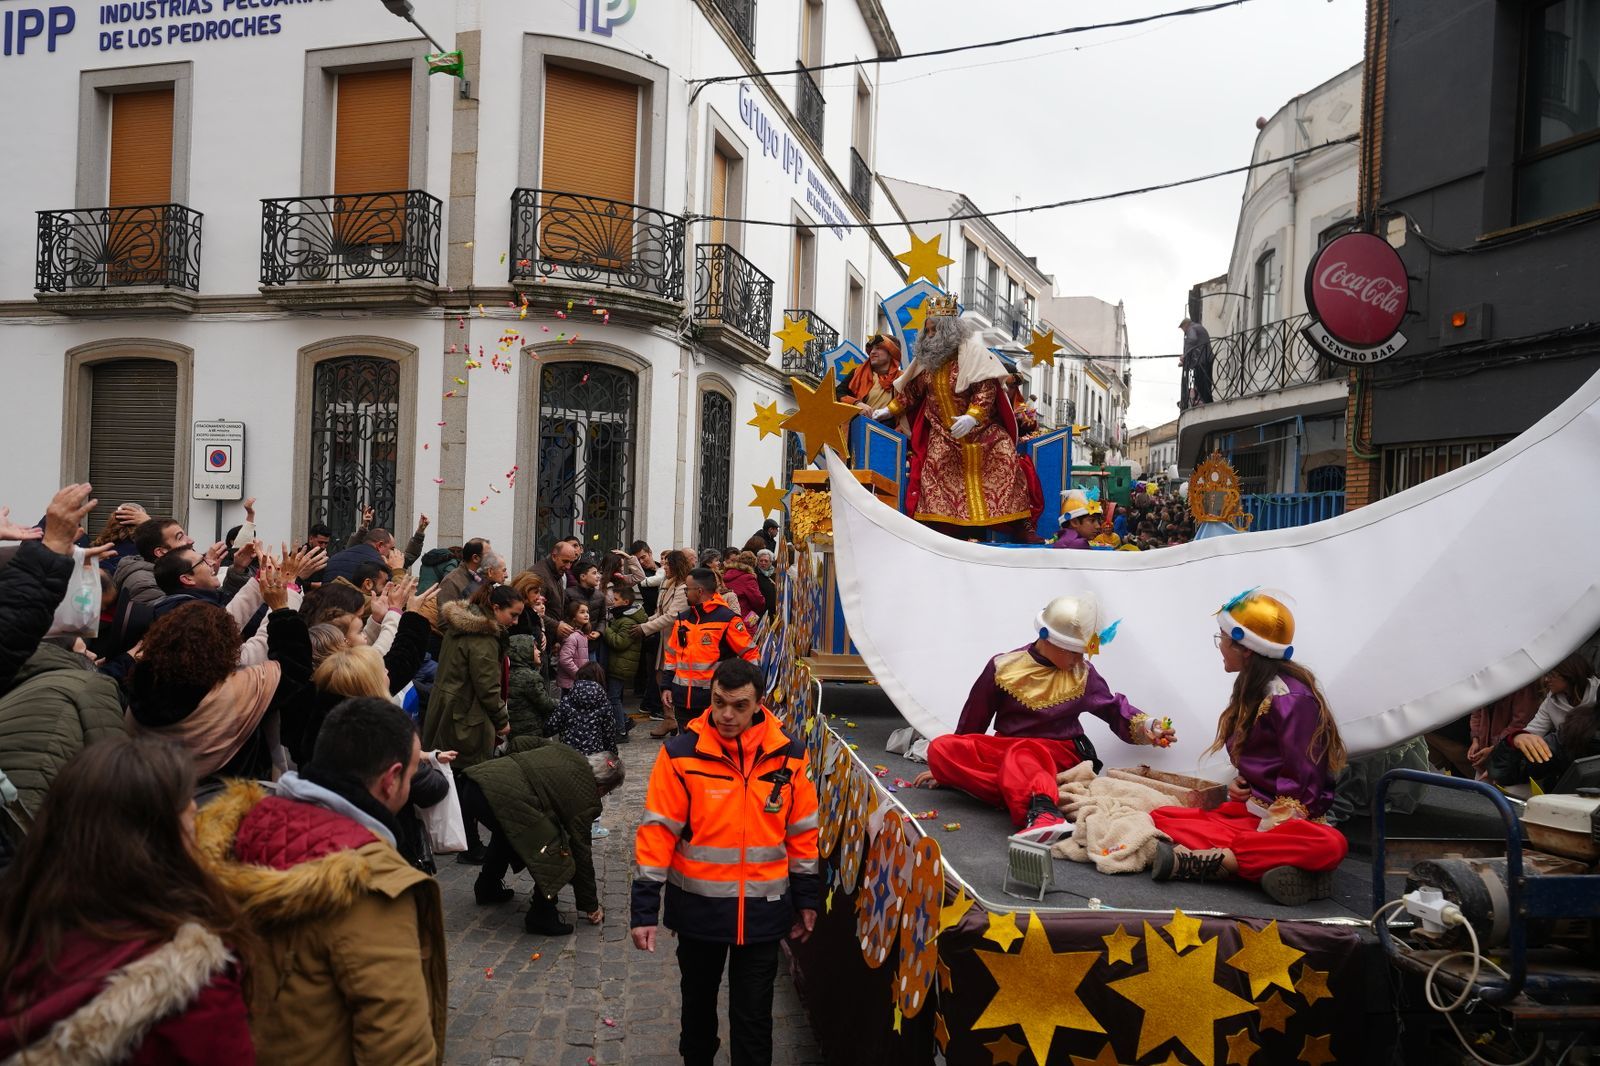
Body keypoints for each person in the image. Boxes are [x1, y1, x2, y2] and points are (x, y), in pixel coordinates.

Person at [197, 698, 447, 1064]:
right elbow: (396, 1050)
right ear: (391, 780)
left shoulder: (232, 828)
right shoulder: (373, 886)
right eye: (409, 777)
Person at [0, 736, 257, 1064]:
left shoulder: (20, 930)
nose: (199, 833)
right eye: (191, 821)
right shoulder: (191, 992)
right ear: (156, 843)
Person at [631, 658, 820, 1066]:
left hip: (763, 914)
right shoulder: (681, 755)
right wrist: (644, 909)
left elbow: (802, 835)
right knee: (697, 1014)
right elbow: (657, 833)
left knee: (754, 1020)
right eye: (718, 703)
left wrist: (807, 900)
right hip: (698, 912)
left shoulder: (790, 757)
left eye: (738, 705)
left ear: (759, 704)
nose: (726, 715)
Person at [913, 593, 1171, 842]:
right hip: (1007, 751)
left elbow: (1113, 709)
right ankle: (1027, 793)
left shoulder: (1083, 674)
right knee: (941, 748)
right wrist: (948, 768)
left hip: (1059, 753)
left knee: (1025, 753)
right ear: (1046, 638)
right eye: (1073, 651)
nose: (1078, 659)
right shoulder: (1003, 666)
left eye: (1082, 652)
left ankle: (1045, 813)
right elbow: (974, 719)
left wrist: (1149, 726)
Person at [1148, 588, 1350, 906]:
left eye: (1222, 639)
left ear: (1245, 648)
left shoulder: (1290, 701)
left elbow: (1303, 785)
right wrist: (1244, 785)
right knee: (1162, 817)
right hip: (1253, 815)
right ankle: (1276, 869)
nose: (1220, 648)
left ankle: (1218, 862)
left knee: (1329, 844)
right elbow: (1258, 762)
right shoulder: (1252, 686)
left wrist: (1270, 833)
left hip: (1288, 824)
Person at [125, 557, 313, 783]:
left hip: (162, 792)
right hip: (227, 796)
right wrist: (283, 604)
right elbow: (291, 667)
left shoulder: (144, 685)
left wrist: (257, 583)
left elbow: (213, 629)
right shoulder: (234, 694)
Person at [874, 304, 1035, 540]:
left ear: (949, 331)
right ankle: (941, 530)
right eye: (927, 331)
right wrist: (888, 410)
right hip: (943, 433)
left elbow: (985, 389)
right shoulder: (926, 363)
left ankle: (1020, 524)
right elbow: (912, 393)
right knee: (935, 464)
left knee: (1005, 455)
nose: (929, 336)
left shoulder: (974, 354)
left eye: (934, 331)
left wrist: (972, 417)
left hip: (982, 432)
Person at [461, 738, 623, 934]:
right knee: (557, 851)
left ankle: (487, 887)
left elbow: (519, 742)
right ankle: (541, 914)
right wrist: (590, 904)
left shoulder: (565, 750)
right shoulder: (587, 797)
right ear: (603, 788)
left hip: (476, 782)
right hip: (498, 796)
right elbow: (580, 851)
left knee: (510, 831)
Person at [425, 585, 520, 863]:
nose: (514, 622)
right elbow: (487, 686)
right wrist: (502, 721)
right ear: (495, 609)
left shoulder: (464, 624)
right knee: (467, 779)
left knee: (459, 777)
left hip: (451, 708)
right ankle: (470, 844)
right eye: (512, 615)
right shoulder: (482, 637)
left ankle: (468, 841)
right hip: (465, 715)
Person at [659, 567, 760, 738]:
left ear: (699, 591)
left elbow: (750, 655)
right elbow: (672, 655)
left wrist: (751, 691)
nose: (684, 593)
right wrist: (667, 686)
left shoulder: (727, 619)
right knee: (687, 748)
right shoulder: (683, 618)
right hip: (683, 699)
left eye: (687, 589)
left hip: (714, 701)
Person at [1488, 653, 1599, 792]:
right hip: (1566, 765)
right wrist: (1510, 744)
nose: (1546, 680)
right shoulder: (1551, 701)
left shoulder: (1597, 693)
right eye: (1546, 674)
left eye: (1552, 675)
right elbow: (1532, 732)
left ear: (1570, 673)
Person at [638, 549, 693, 737]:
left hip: (677, 640)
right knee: (661, 676)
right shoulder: (668, 584)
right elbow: (661, 612)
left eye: (668, 564)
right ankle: (669, 719)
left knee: (672, 678)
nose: (664, 567)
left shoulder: (684, 587)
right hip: (664, 639)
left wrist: (644, 628)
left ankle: (678, 720)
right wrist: (644, 622)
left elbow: (672, 616)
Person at [1466, 681, 1540, 780]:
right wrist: (1476, 740)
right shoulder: (1485, 681)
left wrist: (1495, 747)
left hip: (1510, 758)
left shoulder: (1523, 686)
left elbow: (1521, 722)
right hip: (1485, 753)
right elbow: (1477, 711)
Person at [602, 582, 646, 736]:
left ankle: (621, 730)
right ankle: (625, 721)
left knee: (614, 698)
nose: (612, 602)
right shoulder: (621, 617)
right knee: (613, 697)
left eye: (615, 599)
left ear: (625, 602)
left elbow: (620, 642)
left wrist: (605, 629)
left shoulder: (628, 621)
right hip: (618, 664)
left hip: (621, 667)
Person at [507, 632, 556, 739]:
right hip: (531, 731)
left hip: (514, 732)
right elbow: (546, 704)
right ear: (523, 652)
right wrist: (563, 703)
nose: (538, 652)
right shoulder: (530, 677)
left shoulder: (507, 673)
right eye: (534, 649)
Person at [842, 332, 903, 413]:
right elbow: (837, 393)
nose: (872, 352)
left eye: (878, 348)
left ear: (892, 353)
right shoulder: (857, 373)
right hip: (858, 424)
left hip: (887, 425)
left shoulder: (902, 378)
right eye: (871, 349)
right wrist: (857, 403)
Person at [434, 538, 487, 611]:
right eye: (489, 555)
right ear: (475, 558)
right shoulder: (450, 582)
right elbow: (444, 620)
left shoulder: (483, 578)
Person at [558, 600, 593, 693]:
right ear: (573, 617)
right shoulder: (572, 637)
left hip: (577, 682)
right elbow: (565, 660)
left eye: (587, 612)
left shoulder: (582, 635)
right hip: (570, 684)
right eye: (582, 612)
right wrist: (578, 674)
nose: (586, 615)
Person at [1181, 319, 1214, 405]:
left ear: (1185, 325)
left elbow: (1192, 339)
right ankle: (1208, 402)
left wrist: (1185, 356)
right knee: (1206, 382)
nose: (1184, 331)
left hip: (1201, 360)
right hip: (1207, 358)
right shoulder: (1198, 327)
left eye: (1183, 329)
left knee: (1201, 383)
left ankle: (1206, 402)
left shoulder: (1191, 329)